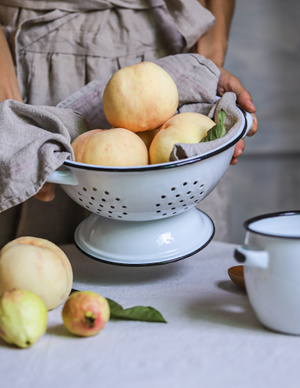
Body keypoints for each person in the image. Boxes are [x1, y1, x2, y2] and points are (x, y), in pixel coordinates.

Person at [0, 0, 257, 246]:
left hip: (165, 45)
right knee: (46, 260)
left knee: (191, 277)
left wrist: (205, 66)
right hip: (38, 55)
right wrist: (14, 123)